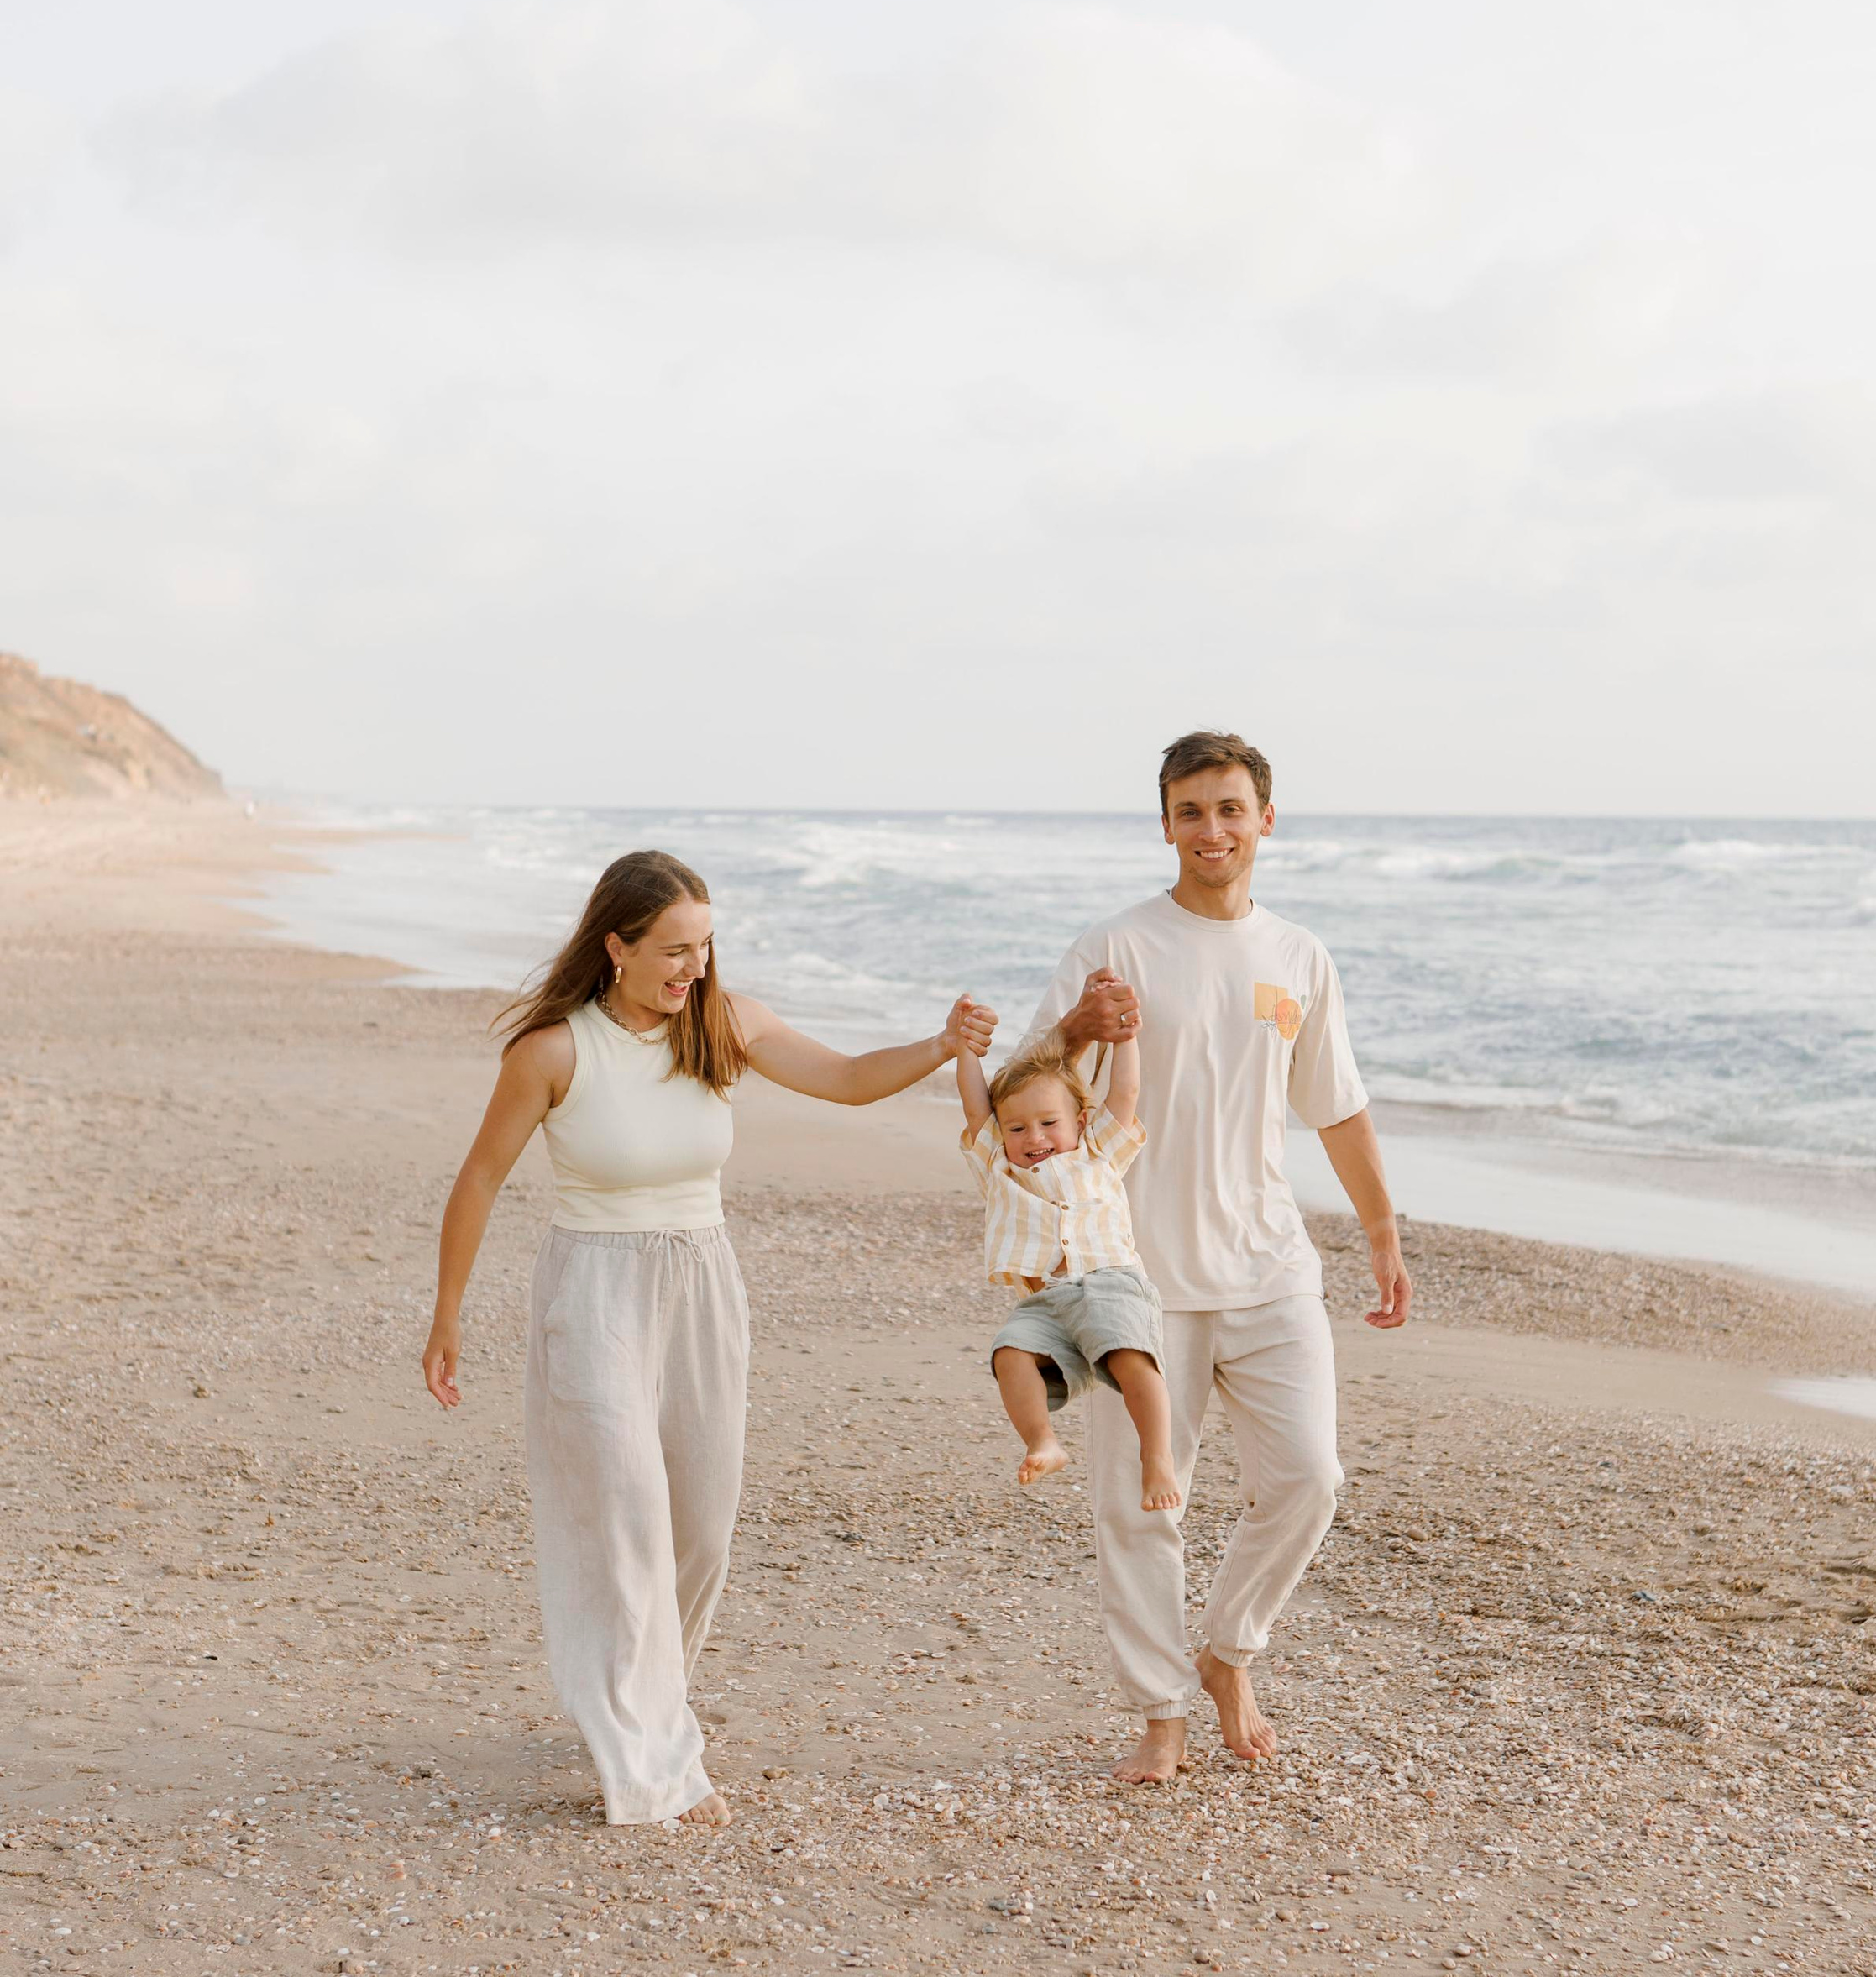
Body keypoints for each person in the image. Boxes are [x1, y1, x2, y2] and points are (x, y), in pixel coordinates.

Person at [422, 847, 993, 1832]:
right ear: (617, 946)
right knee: (630, 1511)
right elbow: (478, 1177)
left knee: (701, 1524)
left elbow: (850, 1078)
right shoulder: (556, 1051)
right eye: (674, 951)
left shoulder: (718, 1027)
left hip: (701, 1288)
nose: (693, 968)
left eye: (704, 946)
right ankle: (653, 1765)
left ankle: (642, 1700)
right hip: (594, 1291)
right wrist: (448, 1314)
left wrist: (941, 1046)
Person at [1025, 731, 1410, 1783]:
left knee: (1311, 1480)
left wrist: (1380, 1230)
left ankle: (1227, 1647)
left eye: (1230, 810)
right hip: (1134, 1282)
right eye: (1191, 812)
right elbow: (1029, 1093)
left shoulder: (1300, 957)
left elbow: (1335, 1106)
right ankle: (1161, 1716)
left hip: (1271, 1264)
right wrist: (1074, 1024)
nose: (1212, 831)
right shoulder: (1115, 949)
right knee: (1143, 1505)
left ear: (1265, 821)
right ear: (1164, 823)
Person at [954, 1023, 1178, 1508]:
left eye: (1049, 1123)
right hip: (1045, 1303)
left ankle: (1157, 1457)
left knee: (1129, 1356)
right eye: (1016, 1128)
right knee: (1009, 1353)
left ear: (1080, 1120)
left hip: (1111, 1283)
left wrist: (1125, 1037)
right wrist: (964, 1050)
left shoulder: (1099, 1153)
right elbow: (975, 1107)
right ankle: (1043, 1440)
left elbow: (1126, 1090)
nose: (1034, 1137)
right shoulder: (999, 1170)